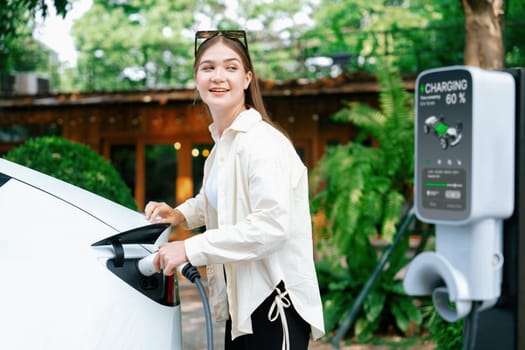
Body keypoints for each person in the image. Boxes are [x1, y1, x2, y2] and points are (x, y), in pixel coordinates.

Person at [144, 30, 325, 350]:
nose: (218, 76)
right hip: (241, 303)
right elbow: (217, 200)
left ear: (247, 78)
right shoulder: (222, 148)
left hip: (273, 305)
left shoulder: (262, 142)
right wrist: (179, 214)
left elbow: (271, 226)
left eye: (230, 67)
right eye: (208, 68)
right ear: (197, 79)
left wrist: (188, 249)